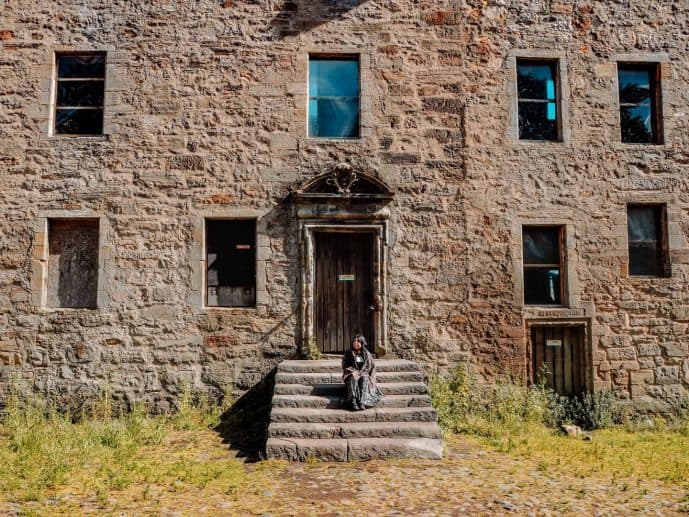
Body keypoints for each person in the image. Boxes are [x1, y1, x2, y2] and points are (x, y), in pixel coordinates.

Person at [342, 334, 383, 411]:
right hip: (351, 373)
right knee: (353, 377)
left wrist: (361, 373)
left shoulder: (367, 354)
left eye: (358, 341)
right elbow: (345, 366)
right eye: (354, 341)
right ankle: (353, 400)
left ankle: (362, 401)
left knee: (364, 377)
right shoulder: (348, 353)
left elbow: (370, 367)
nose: (355, 343)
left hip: (364, 373)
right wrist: (353, 371)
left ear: (362, 343)